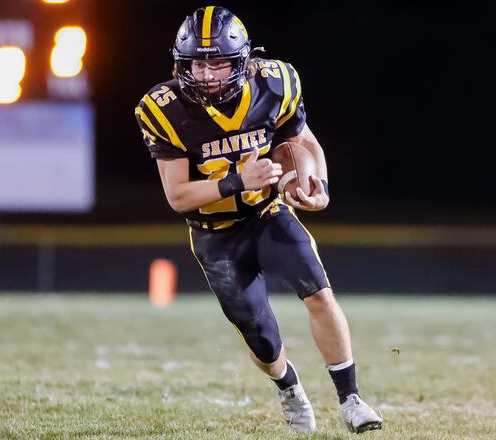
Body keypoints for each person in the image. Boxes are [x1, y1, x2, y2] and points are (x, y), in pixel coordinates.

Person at [134, 6, 383, 434]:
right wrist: (237, 179)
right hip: (214, 235)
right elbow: (177, 196)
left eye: (218, 62)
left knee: (318, 291)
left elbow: (300, 141)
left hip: (266, 213)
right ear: (182, 63)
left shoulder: (274, 82)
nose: (208, 74)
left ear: (242, 61)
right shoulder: (163, 109)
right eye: (197, 62)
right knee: (262, 338)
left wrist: (316, 184)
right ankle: (287, 385)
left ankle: (351, 399)